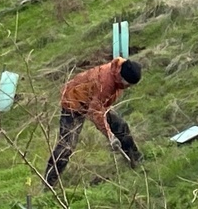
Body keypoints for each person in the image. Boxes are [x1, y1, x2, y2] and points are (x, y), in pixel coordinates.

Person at [45, 57, 143, 186]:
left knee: (120, 126)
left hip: (96, 101)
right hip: (74, 102)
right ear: (120, 76)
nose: (128, 87)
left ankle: (136, 160)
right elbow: (95, 112)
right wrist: (109, 136)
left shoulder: (121, 71)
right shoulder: (105, 83)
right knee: (66, 146)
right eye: (128, 84)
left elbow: (98, 105)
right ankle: (49, 183)